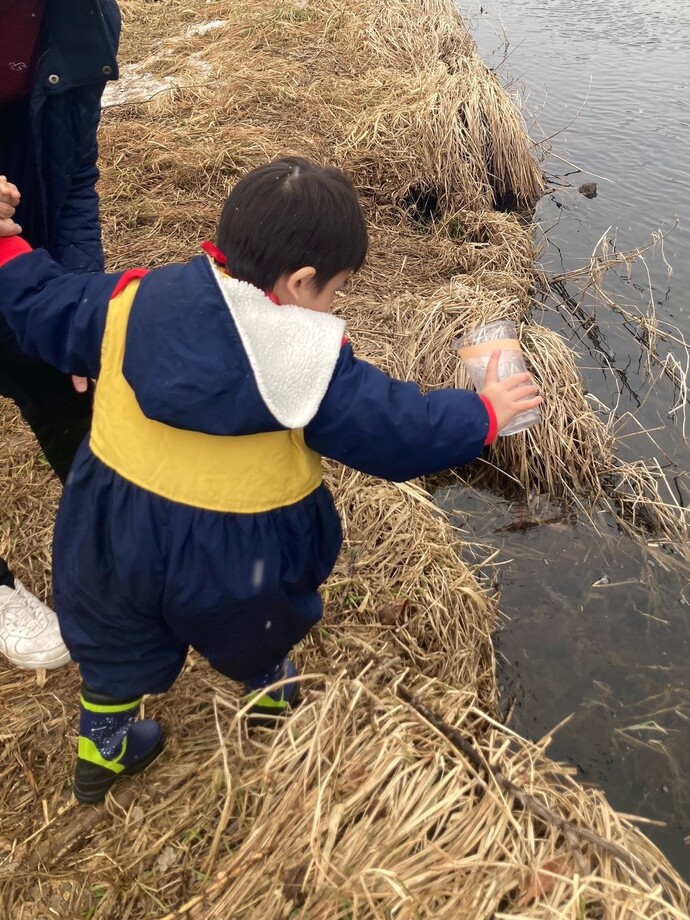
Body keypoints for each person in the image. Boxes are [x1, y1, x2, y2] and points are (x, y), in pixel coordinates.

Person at [0, 159, 542, 803]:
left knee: (115, 644)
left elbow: (38, 301)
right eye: (336, 288)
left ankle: (102, 755)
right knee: (256, 626)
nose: (334, 303)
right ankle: (269, 691)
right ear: (302, 279)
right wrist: (485, 413)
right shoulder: (309, 363)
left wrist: (6, 240)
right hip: (236, 555)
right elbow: (398, 430)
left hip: (112, 533)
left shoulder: (130, 298)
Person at [0, 0, 120, 669]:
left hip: (24, 250)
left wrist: (80, 303)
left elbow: (75, 177)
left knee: (70, 392)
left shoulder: (86, 17)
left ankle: (127, 545)